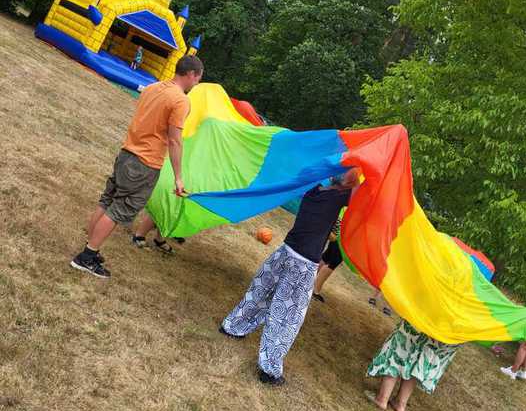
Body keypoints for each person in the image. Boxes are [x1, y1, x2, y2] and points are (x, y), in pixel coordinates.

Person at [219, 169, 361, 386]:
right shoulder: (338, 197)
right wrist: (365, 168)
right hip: (302, 266)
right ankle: (269, 370)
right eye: (353, 171)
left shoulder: (315, 189)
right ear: (346, 180)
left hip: (284, 253)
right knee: (287, 316)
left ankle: (232, 326)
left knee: (259, 293)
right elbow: (361, 194)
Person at [70, 55, 204, 278]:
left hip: (126, 154)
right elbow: (175, 140)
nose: (197, 83)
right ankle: (86, 256)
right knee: (118, 210)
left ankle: (90, 246)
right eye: (198, 78)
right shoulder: (181, 101)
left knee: (107, 201)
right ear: (191, 74)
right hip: (144, 164)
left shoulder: (152, 87)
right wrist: (178, 177)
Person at [365, 321, 460, 411]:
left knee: (402, 344)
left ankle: (382, 398)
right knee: (424, 357)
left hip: (433, 316)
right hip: (457, 326)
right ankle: (400, 403)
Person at [311, 219, 343, 303]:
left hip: (339, 231)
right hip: (344, 235)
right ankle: (315, 290)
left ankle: (310, 280)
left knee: (326, 257)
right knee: (333, 262)